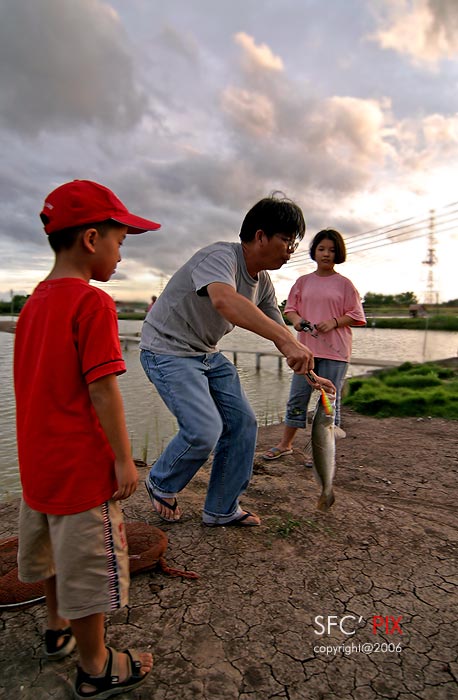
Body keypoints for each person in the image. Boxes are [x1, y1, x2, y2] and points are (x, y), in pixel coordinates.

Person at [14, 180, 160, 699]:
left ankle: (57, 633)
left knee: (53, 557)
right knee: (88, 570)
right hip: (79, 469)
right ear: (93, 239)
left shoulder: (33, 305)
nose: (121, 255)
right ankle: (97, 666)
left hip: (39, 465)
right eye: (121, 242)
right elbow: (102, 388)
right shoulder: (92, 304)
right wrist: (124, 459)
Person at [139, 193, 335, 527]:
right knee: (204, 430)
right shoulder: (220, 256)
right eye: (287, 241)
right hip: (166, 349)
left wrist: (307, 367)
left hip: (206, 354)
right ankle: (161, 481)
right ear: (260, 236)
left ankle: (220, 508)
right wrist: (286, 343)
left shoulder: (263, 282)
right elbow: (224, 301)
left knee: (244, 423)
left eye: (294, 243)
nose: (291, 250)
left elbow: (278, 328)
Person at [263, 228, 366, 461]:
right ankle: (285, 443)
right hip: (305, 352)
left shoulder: (345, 284)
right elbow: (290, 310)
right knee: (298, 397)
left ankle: (323, 452)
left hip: (336, 353)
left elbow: (357, 314)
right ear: (314, 252)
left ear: (338, 253)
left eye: (331, 250)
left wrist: (335, 322)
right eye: (321, 249)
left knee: (328, 402)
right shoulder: (302, 282)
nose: (326, 254)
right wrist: (298, 322)